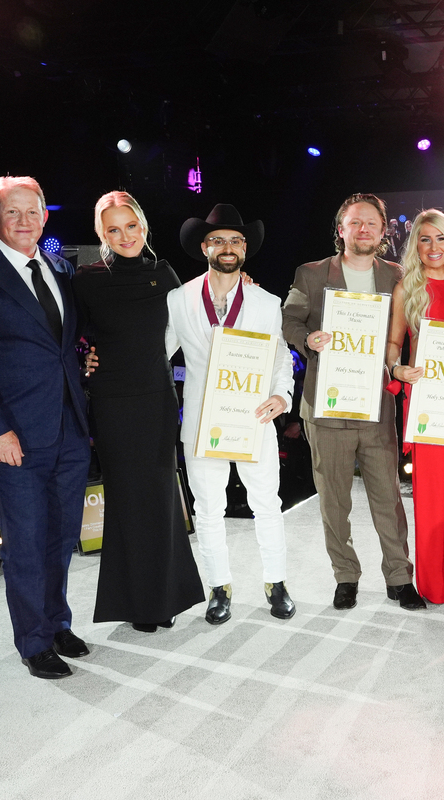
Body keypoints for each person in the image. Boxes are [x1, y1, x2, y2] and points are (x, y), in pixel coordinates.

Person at [0, 176, 91, 679]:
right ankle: (33, 641)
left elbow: (61, 344)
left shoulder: (59, 268)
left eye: (33, 212)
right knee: (26, 541)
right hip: (14, 437)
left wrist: (85, 359)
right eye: (13, 212)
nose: (24, 221)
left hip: (69, 428)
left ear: (46, 215)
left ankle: (57, 622)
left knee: (62, 535)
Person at [283, 194, 422, 611]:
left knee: (388, 498)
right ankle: (346, 576)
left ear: (383, 231)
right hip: (326, 409)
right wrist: (307, 339)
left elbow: (418, 321)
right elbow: (289, 320)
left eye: (372, 224)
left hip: (377, 404)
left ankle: (399, 578)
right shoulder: (310, 275)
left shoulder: (397, 276)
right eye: (355, 223)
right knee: (334, 500)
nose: (364, 230)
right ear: (340, 228)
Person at [73, 191, 204, 632]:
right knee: (127, 502)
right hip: (111, 404)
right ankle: (136, 604)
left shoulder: (163, 273)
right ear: (100, 233)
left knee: (163, 500)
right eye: (113, 229)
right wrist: (82, 360)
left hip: (156, 399)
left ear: (143, 226)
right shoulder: (87, 279)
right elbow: (67, 335)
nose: (124, 235)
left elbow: (196, 322)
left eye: (131, 226)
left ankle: (165, 599)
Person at [169, 203, 296, 625]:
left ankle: (276, 583)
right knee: (208, 510)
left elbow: (280, 357)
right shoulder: (179, 298)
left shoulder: (266, 301)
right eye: (218, 240)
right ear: (204, 246)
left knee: (267, 504)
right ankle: (219, 586)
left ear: (245, 248)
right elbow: (154, 353)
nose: (228, 247)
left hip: (255, 418)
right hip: (203, 422)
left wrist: (282, 395)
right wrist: (103, 358)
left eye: (235, 241)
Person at [386, 209, 444, 605]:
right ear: (416, 246)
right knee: (434, 494)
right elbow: (392, 343)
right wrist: (398, 368)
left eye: (441, 238)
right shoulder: (408, 287)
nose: (433, 247)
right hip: (429, 404)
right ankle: (437, 584)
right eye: (425, 239)